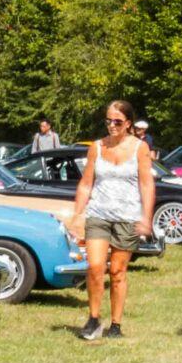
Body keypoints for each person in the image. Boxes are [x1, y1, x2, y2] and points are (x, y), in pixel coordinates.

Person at [65, 100, 154, 343]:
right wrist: (76, 215)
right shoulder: (96, 147)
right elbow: (86, 183)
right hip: (99, 214)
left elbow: (146, 183)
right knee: (95, 267)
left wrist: (146, 217)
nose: (112, 125)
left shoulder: (140, 148)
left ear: (128, 123)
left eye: (117, 121)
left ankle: (116, 324)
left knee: (117, 271)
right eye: (109, 121)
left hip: (127, 216)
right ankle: (94, 318)